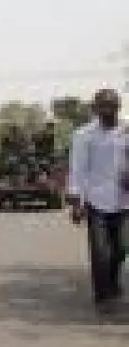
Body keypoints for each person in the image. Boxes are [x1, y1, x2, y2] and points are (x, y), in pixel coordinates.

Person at [66, 88, 128, 311]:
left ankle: (112, 281)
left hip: (123, 202)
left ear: (118, 108)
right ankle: (103, 296)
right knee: (101, 252)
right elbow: (78, 169)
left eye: (112, 106)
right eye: (103, 106)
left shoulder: (126, 131)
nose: (107, 110)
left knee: (121, 250)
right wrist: (76, 203)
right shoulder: (84, 135)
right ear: (96, 109)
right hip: (96, 201)